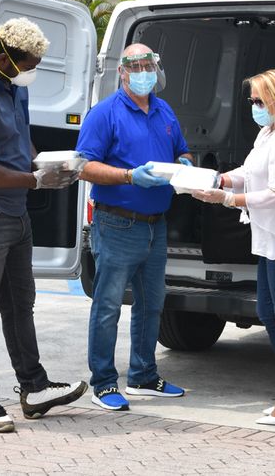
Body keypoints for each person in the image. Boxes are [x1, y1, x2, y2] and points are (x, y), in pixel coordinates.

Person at [0, 17, 87, 434]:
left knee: (19, 306)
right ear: (5, 56)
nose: (33, 70)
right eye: (29, 62)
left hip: (14, 213)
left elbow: (22, 141)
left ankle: (34, 388)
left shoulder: (12, 87)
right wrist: (33, 180)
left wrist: (47, 164)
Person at [191, 69, 275, 425]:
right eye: (252, 101)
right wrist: (215, 178)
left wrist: (227, 199)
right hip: (269, 238)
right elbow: (248, 171)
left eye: (259, 101)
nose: (254, 107)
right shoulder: (269, 132)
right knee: (267, 313)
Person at [76, 43, 192, 411]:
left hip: (156, 226)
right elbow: (83, 166)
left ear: (157, 68)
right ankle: (104, 383)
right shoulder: (105, 113)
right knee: (108, 306)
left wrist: (186, 164)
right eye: (136, 66)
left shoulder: (163, 109)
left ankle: (143, 375)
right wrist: (128, 176)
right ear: (122, 72)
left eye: (148, 65)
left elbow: (181, 150)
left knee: (152, 303)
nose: (143, 72)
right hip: (117, 223)